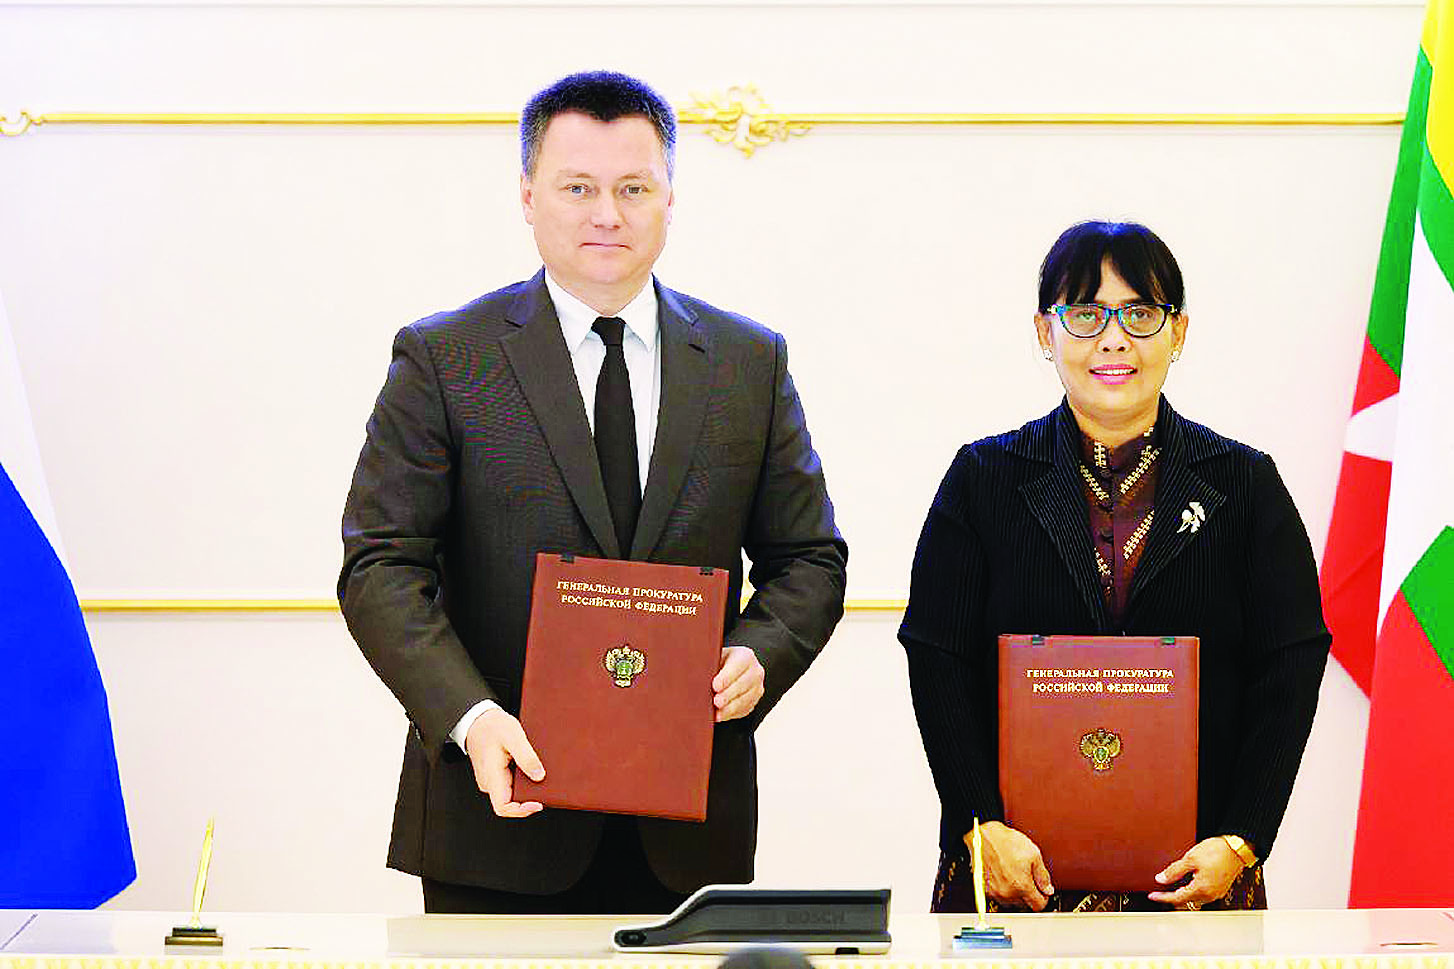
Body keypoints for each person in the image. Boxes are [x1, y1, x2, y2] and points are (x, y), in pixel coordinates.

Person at [339, 70, 847, 915]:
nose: (607, 214)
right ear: (528, 196)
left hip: (687, 824)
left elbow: (810, 560)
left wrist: (761, 651)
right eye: (578, 187)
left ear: (670, 198)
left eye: (633, 188)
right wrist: (470, 718)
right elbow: (380, 566)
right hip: (497, 814)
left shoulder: (748, 362)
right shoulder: (444, 358)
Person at [898, 221, 1330, 913]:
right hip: (1014, 877)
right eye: (1085, 313)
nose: (1113, 338)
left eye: (1140, 312)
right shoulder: (982, 479)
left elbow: (1291, 660)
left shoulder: (1245, 484)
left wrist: (1241, 839)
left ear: (1178, 331)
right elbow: (936, 655)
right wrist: (980, 825)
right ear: (1045, 332)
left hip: (1197, 881)